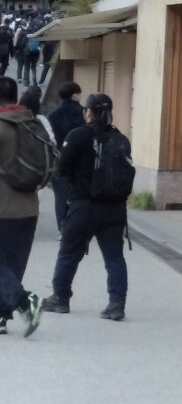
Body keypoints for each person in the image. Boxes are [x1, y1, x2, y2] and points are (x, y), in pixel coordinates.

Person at [41, 93, 131, 321]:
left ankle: (60, 298)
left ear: (88, 112)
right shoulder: (120, 139)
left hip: (83, 205)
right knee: (114, 257)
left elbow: (62, 168)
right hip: (114, 208)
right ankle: (116, 304)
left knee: (69, 253)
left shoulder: (78, 135)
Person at [0, 76, 43, 337]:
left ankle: (25, 302)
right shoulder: (32, 124)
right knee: (12, 265)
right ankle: (1, 317)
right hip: (29, 207)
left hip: (3, 208)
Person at [47, 82, 85, 239]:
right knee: (80, 195)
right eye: (79, 93)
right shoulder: (84, 113)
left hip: (59, 161)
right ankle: (79, 227)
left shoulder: (53, 116)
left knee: (61, 196)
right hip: (82, 162)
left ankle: (63, 229)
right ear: (74, 95)